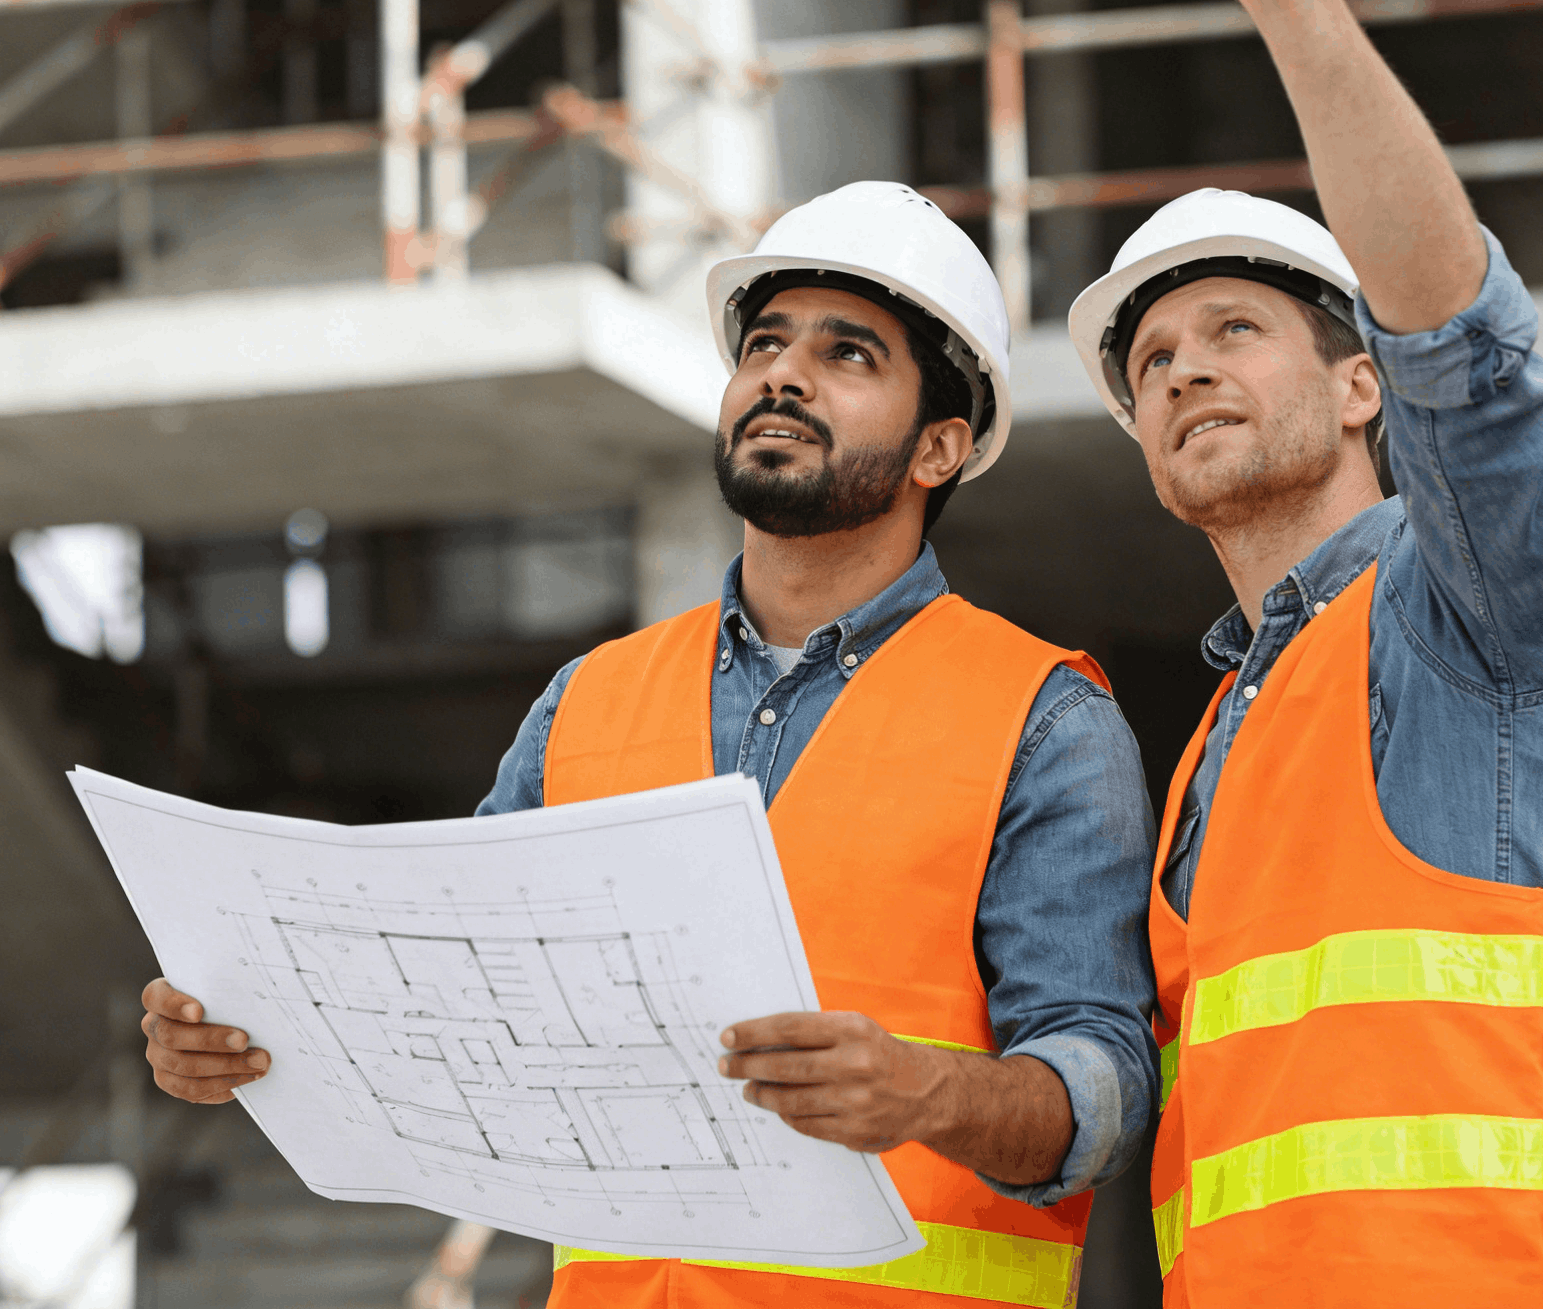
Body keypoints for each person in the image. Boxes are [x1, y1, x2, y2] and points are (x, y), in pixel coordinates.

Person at [139, 182, 1158, 1308]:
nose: (783, 373)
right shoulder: (589, 701)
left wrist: (926, 1095)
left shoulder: (1043, 718)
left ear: (940, 447)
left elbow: (1105, 1088)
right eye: (764, 342)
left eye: (849, 354)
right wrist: (256, 1039)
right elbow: (449, 1003)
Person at [1062, 0, 1543, 1305]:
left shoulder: (1468, 616)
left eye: (1233, 331)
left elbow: (1468, 352)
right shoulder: (1217, 747)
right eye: (1153, 361)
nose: (1182, 373)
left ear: (1355, 387)